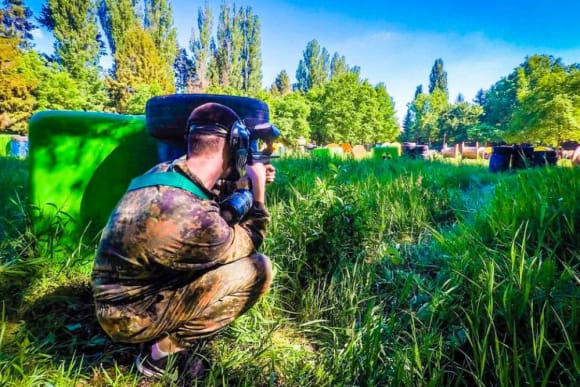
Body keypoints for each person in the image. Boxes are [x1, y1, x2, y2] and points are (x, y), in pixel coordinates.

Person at [91, 102, 275, 380]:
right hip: (129, 317)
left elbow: (206, 190)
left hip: (118, 293)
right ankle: (159, 354)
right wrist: (258, 191)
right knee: (258, 270)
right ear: (235, 144)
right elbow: (251, 238)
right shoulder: (193, 218)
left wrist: (243, 183)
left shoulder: (164, 171)